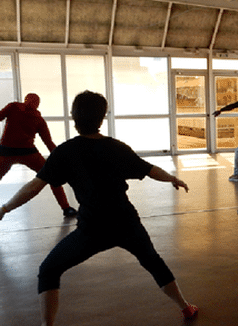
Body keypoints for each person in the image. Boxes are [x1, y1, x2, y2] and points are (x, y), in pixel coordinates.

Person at [0, 91, 198, 325]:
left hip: (92, 229)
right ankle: (185, 308)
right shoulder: (116, 147)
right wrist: (172, 179)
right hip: (126, 223)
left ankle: (47, 325)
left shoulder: (66, 151)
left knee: (49, 270)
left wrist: (5, 208)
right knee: (153, 262)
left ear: (73, 117)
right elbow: (148, 169)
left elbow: (34, 186)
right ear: (102, 118)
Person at [0, 93, 76, 217]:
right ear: (38, 104)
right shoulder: (38, 119)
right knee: (52, 176)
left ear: (25, 99)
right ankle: (66, 208)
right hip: (28, 152)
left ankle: (66, 207)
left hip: (6, 151)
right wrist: (62, 158)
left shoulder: (13, 107)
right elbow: (49, 142)